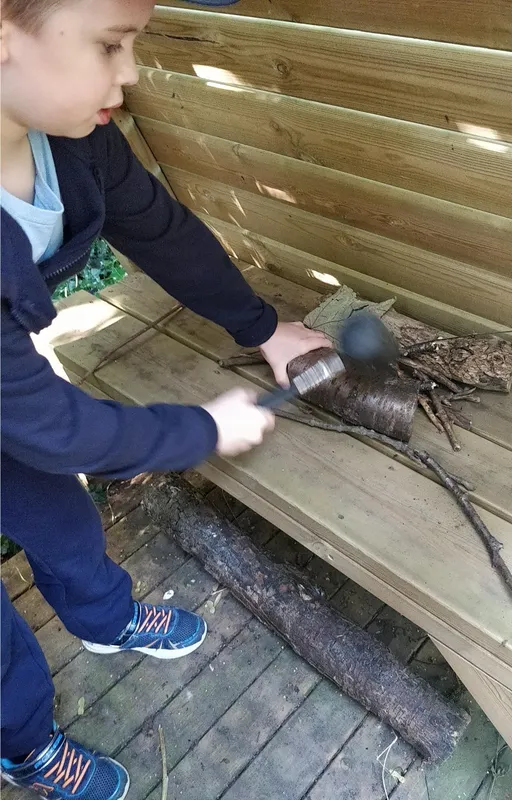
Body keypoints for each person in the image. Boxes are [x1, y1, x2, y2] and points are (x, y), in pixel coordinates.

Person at [0, 0, 331, 796]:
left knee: (62, 520)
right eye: (111, 45)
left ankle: (103, 617)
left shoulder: (67, 136)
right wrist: (200, 430)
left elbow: (159, 229)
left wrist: (264, 327)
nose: (132, 73)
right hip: (21, 408)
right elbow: (52, 428)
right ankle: (23, 742)